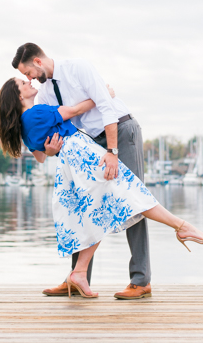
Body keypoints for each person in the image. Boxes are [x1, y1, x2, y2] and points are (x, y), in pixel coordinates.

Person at [0, 76, 203, 299]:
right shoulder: (36, 113)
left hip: (69, 162)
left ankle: (79, 272)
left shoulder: (23, 127)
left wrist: (51, 151)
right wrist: (103, 96)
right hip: (83, 154)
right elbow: (73, 111)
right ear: (19, 96)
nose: (29, 82)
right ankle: (182, 227)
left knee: (100, 211)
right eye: (23, 83)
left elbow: (41, 157)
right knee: (130, 194)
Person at [11, 42, 152, 299]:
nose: (28, 78)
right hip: (89, 142)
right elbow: (54, 134)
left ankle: (141, 280)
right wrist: (51, 151)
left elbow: (106, 108)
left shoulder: (78, 68)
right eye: (25, 78)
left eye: (28, 73)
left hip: (120, 131)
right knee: (80, 205)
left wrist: (112, 152)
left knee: (133, 201)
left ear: (38, 62)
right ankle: (77, 278)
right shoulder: (44, 96)